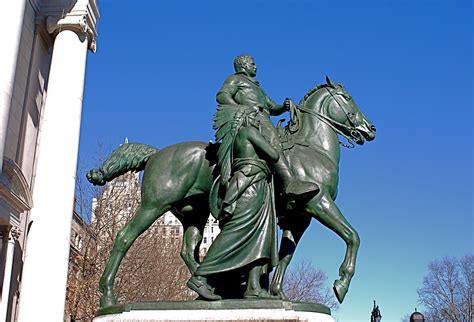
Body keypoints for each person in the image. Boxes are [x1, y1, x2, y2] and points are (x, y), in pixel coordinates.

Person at [187, 119, 280, 300]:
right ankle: (200, 277)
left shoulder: (243, 134)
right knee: (235, 232)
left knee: (261, 235)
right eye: (255, 116)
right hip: (249, 185)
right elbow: (274, 155)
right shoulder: (248, 133)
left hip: (258, 184)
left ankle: (253, 287)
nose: (259, 119)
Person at [215, 55, 319, 201]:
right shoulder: (235, 79)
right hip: (254, 119)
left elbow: (272, 107)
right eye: (252, 63)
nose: (255, 66)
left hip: (264, 117)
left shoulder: (258, 88)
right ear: (243, 65)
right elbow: (222, 95)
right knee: (274, 141)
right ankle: (289, 182)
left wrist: (283, 106)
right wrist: (243, 109)